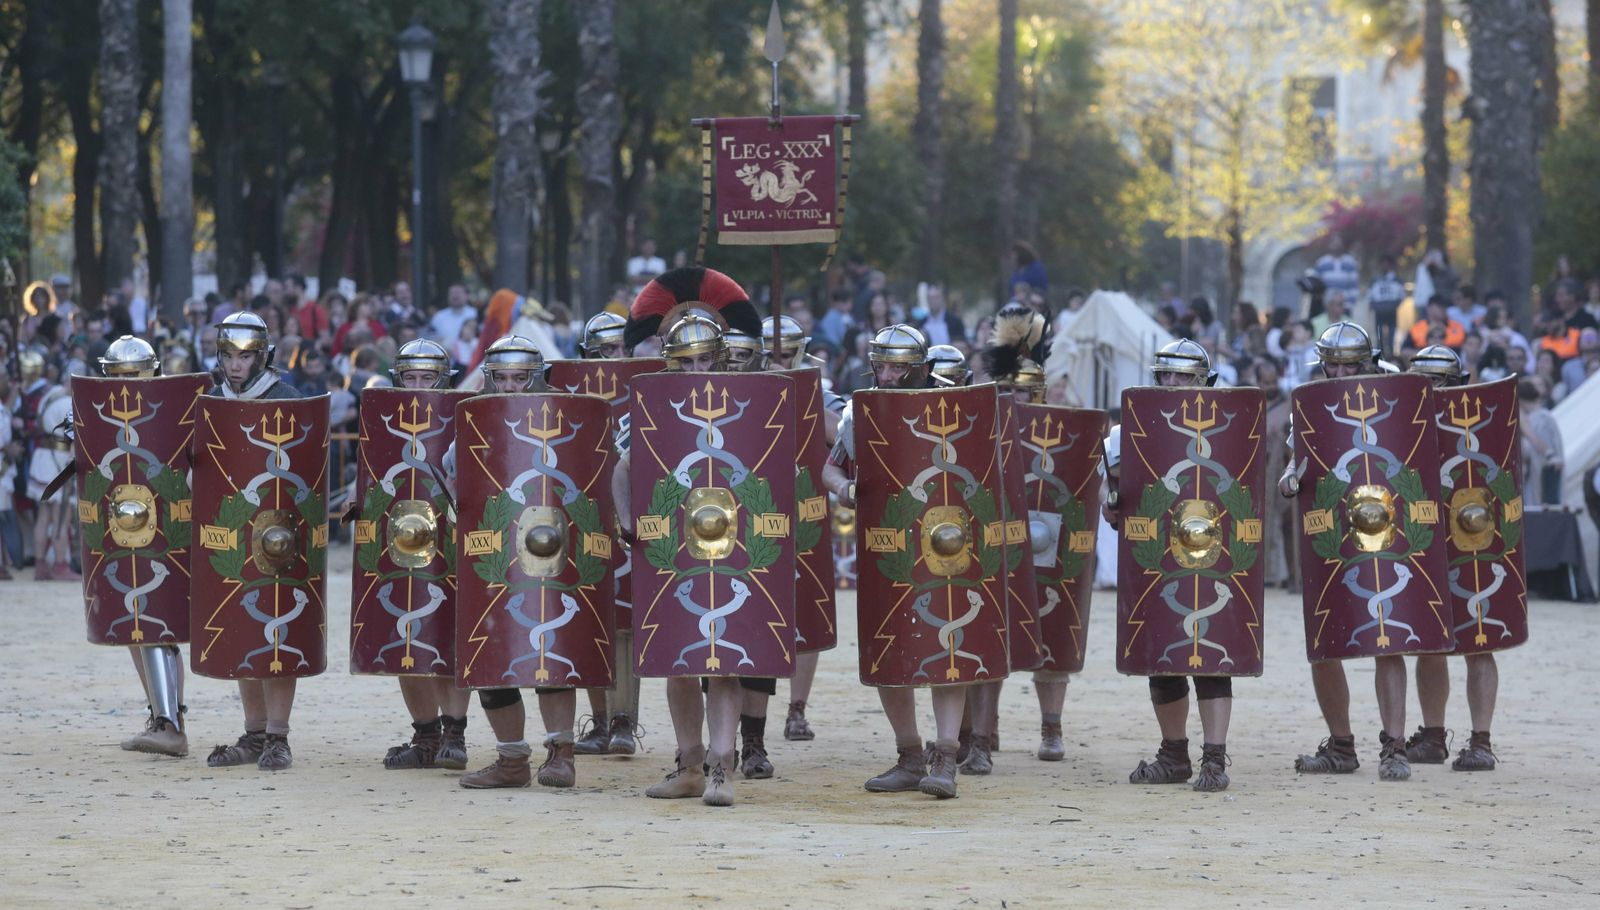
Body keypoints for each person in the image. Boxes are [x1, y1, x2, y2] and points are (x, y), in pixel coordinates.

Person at [613, 290, 774, 806]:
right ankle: (689, 764)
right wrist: (626, 521)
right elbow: (622, 470)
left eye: (706, 358)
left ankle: (721, 770)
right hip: (674, 550)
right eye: (689, 360)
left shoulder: (752, 403)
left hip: (731, 546)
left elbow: (773, 475)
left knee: (724, 660)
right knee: (678, 660)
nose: (699, 367)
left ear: (722, 358)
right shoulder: (655, 405)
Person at [822, 324, 983, 799]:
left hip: (950, 544)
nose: (887, 376)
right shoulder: (861, 410)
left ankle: (947, 756)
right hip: (889, 543)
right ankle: (910, 755)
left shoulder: (960, 406)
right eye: (881, 366)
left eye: (897, 367)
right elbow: (831, 467)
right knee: (889, 646)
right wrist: (847, 490)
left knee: (947, 645)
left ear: (919, 368)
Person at [1280, 322, 1417, 781]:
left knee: (1387, 635)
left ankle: (1395, 746)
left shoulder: (1393, 391)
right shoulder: (1309, 402)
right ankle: (1341, 746)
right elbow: (1297, 457)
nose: (1339, 372)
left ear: (1366, 363)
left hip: (1387, 526)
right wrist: (1290, 477)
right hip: (1331, 527)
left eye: (1348, 365)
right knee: (1325, 644)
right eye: (1332, 364)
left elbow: (1414, 451)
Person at [1103, 340, 1236, 791]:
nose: (1173, 384)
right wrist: (1115, 500)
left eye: (1183, 376)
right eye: (1166, 375)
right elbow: (1116, 499)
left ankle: (1214, 758)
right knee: (1165, 652)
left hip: (1214, 550)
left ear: (1204, 381)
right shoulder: (1131, 432)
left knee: (1213, 654)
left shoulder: (1232, 429)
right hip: (1160, 551)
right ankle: (1174, 752)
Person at [456, 335, 586, 790]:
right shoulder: (471, 425)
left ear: (537, 378)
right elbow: (460, 488)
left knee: (551, 648)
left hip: (553, 549)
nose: (510, 386)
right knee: (491, 652)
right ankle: (512, 760)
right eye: (502, 378)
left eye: (520, 378)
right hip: (494, 554)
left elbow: (584, 480)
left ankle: (561, 753)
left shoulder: (569, 421)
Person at [203, 312, 307, 771]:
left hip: (281, 533)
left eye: (244, 356)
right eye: (228, 355)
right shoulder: (209, 399)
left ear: (261, 355)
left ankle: (278, 737)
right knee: (243, 629)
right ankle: (254, 733)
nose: (235, 365)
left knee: (278, 632)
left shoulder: (288, 399)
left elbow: (308, 469)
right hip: (232, 533)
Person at [368, 339, 474, 772]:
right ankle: (427, 735)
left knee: (446, 629)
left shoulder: (465, 414)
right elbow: (376, 469)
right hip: (399, 531)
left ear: (442, 379)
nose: (415, 385)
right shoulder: (382, 415)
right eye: (408, 377)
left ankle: (455, 733)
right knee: (404, 633)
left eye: (425, 378)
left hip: (449, 530)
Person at [1403, 346, 1510, 771]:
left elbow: (1497, 479)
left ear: (1456, 385)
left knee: (1478, 641)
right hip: (1422, 538)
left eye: (1438, 382)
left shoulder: (1477, 425)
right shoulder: (1402, 426)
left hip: (1473, 541)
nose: (1430, 390)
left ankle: (1481, 740)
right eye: (1422, 382)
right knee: (1429, 643)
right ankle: (1433, 736)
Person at [568, 310, 648, 760]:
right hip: (581, 515)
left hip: (632, 515)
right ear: (587, 355)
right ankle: (597, 722)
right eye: (606, 351)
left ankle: (623, 721)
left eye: (623, 349)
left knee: (625, 623)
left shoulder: (651, 387)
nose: (617, 358)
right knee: (587, 616)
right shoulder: (566, 388)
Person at [23, 352, 75, 582]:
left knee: (43, 515)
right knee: (60, 516)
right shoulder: (67, 403)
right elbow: (73, 438)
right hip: (57, 460)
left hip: (43, 457)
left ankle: (41, 565)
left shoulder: (49, 395)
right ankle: (60, 565)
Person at [1368, 254, 1407, 354]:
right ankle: (1379, 358)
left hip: (1391, 311)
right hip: (1379, 311)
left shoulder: (1397, 280)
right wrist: (1375, 306)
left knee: (1391, 339)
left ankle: (1391, 357)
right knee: (1379, 338)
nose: (1385, 266)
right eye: (1383, 263)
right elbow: (1370, 296)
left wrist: (1394, 304)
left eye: (1387, 263)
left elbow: (1401, 296)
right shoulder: (1375, 280)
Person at [1314, 235, 1360, 305]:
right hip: (1326, 307)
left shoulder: (1350, 262)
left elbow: (1353, 286)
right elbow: (1317, 286)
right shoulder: (1321, 263)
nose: (1336, 244)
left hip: (1345, 305)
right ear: (1329, 244)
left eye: (1338, 242)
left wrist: (1350, 304)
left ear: (1342, 244)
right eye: (1333, 242)